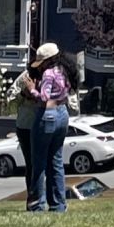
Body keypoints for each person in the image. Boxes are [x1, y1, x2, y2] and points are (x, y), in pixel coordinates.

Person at [28, 43, 76, 213]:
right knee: (56, 161)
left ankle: (37, 205)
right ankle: (58, 204)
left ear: (47, 61)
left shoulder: (48, 74)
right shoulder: (64, 70)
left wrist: (32, 89)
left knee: (39, 162)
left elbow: (44, 97)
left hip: (47, 114)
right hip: (62, 113)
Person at [13, 51, 42, 205]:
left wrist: (35, 93)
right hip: (25, 126)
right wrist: (24, 95)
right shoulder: (24, 78)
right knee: (31, 164)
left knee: (42, 163)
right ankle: (32, 198)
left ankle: (42, 196)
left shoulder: (48, 77)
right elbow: (10, 97)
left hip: (42, 124)